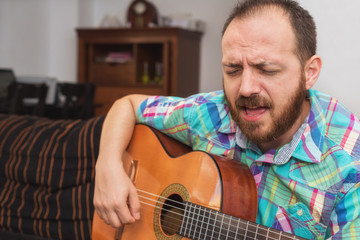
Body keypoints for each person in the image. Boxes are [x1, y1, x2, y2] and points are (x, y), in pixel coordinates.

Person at [93, 0, 360, 239]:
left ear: (309, 72)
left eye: (266, 69)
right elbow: (127, 105)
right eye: (233, 70)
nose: (245, 89)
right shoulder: (211, 114)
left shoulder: (350, 167)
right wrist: (107, 167)